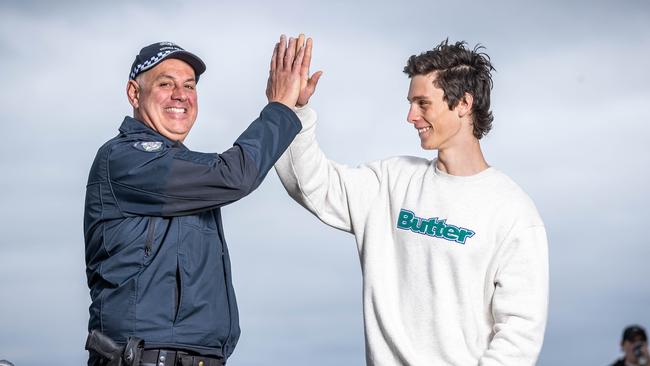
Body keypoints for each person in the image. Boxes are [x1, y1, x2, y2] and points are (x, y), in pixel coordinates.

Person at [275, 39, 549, 365]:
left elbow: (520, 333)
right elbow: (310, 185)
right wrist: (291, 111)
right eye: (410, 103)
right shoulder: (391, 182)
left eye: (422, 103)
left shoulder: (512, 211)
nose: (410, 116)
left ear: (463, 103)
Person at [84, 35, 315, 365]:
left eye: (190, 86)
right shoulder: (126, 160)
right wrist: (279, 108)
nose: (181, 95)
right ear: (135, 93)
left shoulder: (185, 173)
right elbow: (234, 175)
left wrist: (292, 106)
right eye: (166, 84)